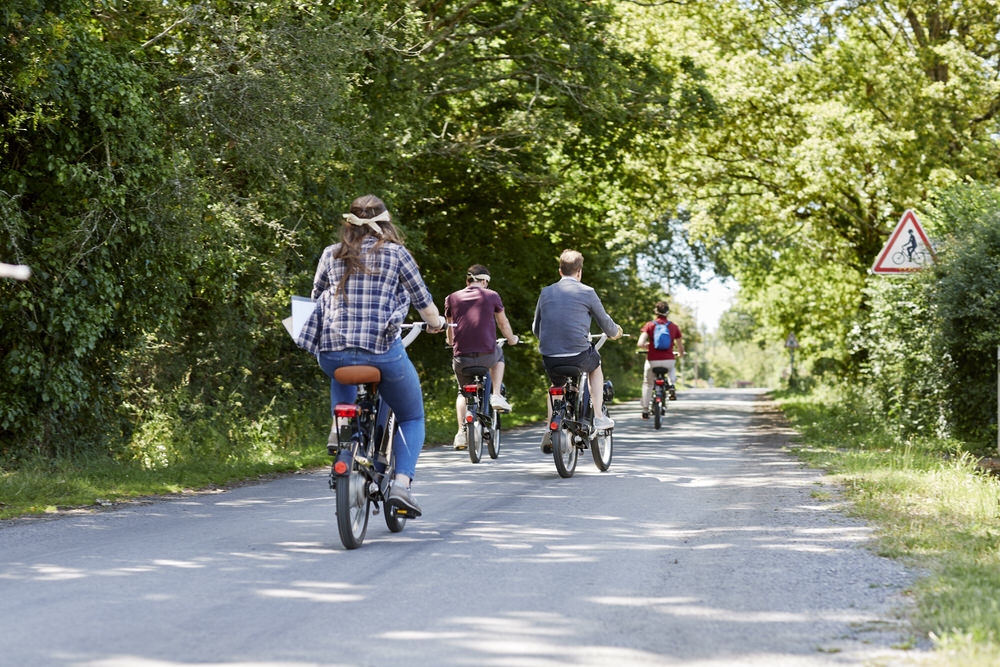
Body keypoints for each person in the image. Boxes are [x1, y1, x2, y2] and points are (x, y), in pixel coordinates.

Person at [296, 194, 445, 518]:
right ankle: (402, 485)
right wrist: (437, 324)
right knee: (411, 416)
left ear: (348, 224)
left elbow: (315, 297)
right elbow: (424, 303)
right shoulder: (397, 254)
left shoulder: (330, 254)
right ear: (385, 222)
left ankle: (340, 428)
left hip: (332, 352)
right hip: (381, 352)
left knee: (340, 368)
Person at [532, 249, 622, 453]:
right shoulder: (587, 292)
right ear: (579, 272)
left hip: (550, 356)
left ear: (559, 270)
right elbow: (606, 324)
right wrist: (616, 332)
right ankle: (599, 416)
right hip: (578, 354)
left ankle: (549, 427)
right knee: (596, 366)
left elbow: (536, 328)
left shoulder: (546, 292)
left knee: (556, 385)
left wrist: (551, 343)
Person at [445, 264, 519, 450]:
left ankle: (461, 432)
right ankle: (495, 395)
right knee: (499, 354)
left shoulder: (451, 298)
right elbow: (502, 322)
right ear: (485, 281)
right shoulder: (492, 295)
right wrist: (512, 339)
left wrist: (451, 343)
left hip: (462, 359)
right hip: (487, 356)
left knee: (463, 392)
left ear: (467, 280)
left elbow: (450, 329)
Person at [636, 301, 684, 418]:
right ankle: (672, 385)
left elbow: (640, 343)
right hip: (668, 360)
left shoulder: (650, 325)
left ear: (655, 312)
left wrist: (647, 345)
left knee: (647, 383)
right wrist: (680, 354)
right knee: (671, 368)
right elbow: (680, 346)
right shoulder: (673, 327)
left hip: (652, 360)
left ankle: (645, 410)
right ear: (667, 312)